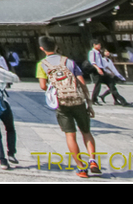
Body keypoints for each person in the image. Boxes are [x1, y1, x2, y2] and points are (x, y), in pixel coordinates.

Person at [37, 35, 99, 178]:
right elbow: (82, 82)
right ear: (56, 46)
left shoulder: (42, 64)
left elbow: (42, 86)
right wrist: (88, 103)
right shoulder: (68, 61)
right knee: (86, 132)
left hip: (62, 102)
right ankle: (93, 161)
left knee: (70, 135)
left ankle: (81, 168)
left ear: (42, 49)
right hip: (78, 101)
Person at [87, 40, 106, 105]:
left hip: (101, 68)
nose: (100, 46)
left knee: (106, 83)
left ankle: (97, 98)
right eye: (98, 45)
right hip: (96, 69)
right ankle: (94, 99)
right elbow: (92, 62)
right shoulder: (92, 52)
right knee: (98, 84)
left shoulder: (98, 52)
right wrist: (98, 69)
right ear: (94, 45)